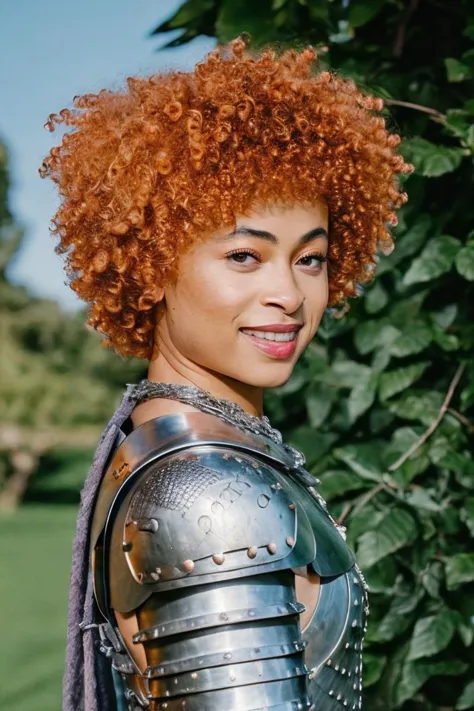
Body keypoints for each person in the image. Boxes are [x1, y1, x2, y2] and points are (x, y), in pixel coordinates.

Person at [41, 37, 411, 711]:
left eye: (311, 258)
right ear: (151, 264)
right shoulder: (208, 496)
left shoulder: (181, 446)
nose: (291, 296)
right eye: (245, 255)